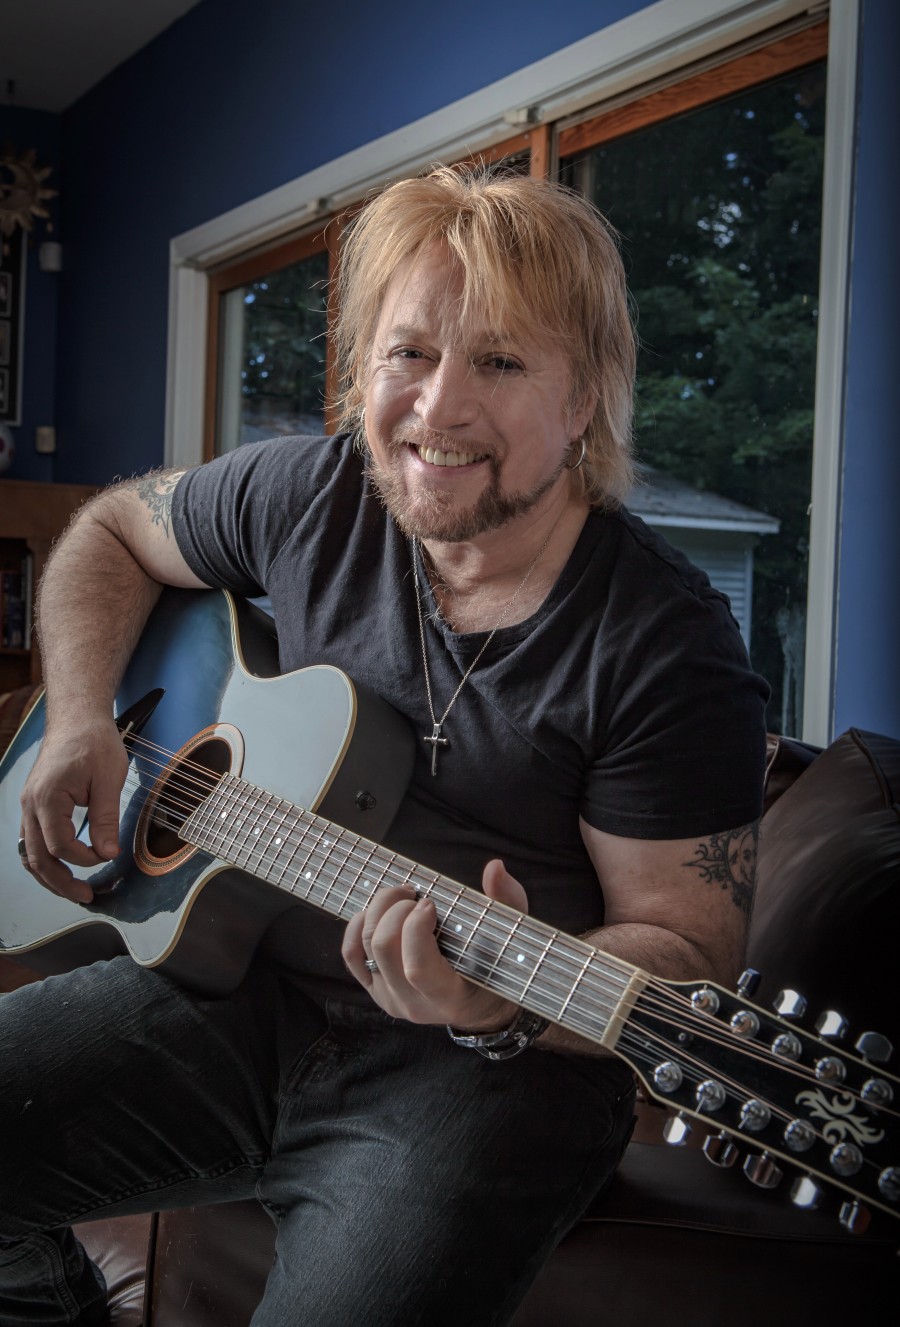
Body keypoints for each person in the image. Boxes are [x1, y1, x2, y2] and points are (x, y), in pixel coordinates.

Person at [2, 165, 768, 1326]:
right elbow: (110, 530)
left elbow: (688, 956)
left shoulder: (669, 643)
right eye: (408, 352)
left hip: (486, 1077)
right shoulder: (310, 492)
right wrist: (79, 716)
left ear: (586, 399)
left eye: (499, 362)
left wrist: (493, 999)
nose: (438, 408)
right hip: (235, 988)